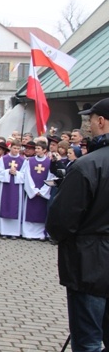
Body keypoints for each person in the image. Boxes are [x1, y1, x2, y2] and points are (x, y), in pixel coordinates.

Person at [47, 97, 109, 352]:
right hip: (92, 258)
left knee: (88, 341)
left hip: (90, 263)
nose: (89, 126)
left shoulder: (88, 165)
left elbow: (61, 220)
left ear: (102, 121)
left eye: (91, 120)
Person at [21, 141, 55, 240]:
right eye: (36, 148)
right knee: (30, 211)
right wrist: (33, 190)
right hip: (32, 191)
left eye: (39, 148)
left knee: (41, 212)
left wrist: (43, 191)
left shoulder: (49, 162)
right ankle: (28, 233)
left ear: (44, 150)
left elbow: (51, 176)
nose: (36, 150)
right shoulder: (29, 161)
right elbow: (27, 176)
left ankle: (40, 234)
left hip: (43, 192)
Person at [0, 140, 26, 239]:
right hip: (5, 186)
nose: (16, 150)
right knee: (4, 205)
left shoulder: (23, 160)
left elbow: (25, 175)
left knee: (15, 206)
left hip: (17, 187)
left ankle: (14, 232)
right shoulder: (3, 159)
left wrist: (17, 173)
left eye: (18, 148)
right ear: (10, 147)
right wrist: (8, 171)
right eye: (14, 148)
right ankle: (4, 231)